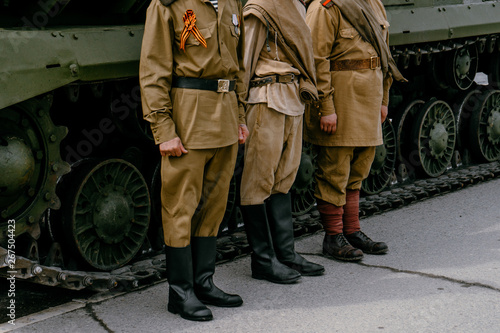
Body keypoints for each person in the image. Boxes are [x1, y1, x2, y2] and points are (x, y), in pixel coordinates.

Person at [139, 0, 249, 322]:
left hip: (225, 115)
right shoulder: (168, 5)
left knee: (214, 206)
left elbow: (238, 67)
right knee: (180, 207)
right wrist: (163, 128)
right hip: (188, 117)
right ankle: (181, 292)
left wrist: (240, 115)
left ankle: (204, 282)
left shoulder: (232, 2)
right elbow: (153, 69)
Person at [305, 0, 406, 261]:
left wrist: (384, 100)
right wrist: (326, 107)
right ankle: (333, 236)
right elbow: (316, 60)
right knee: (334, 170)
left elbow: (385, 56)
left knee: (360, 167)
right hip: (342, 98)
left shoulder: (374, 4)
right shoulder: (325, 7)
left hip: (369, 96)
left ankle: (352, 230)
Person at [239, 0, 325, 285]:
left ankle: (285, 254)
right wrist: (239, 110)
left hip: (293, 97)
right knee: (258, 181)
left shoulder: (298, 6)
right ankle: (263, 261)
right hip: (266, 98)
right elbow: (246, 61)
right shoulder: (260, 8)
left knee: (284, 179)